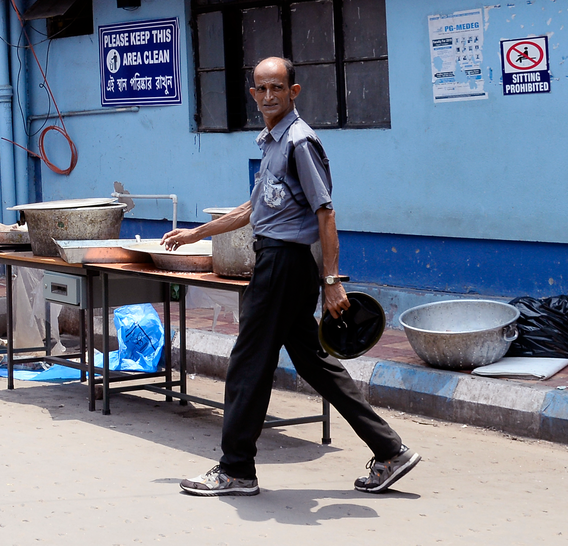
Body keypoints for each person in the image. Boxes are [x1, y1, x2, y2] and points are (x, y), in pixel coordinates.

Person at [164, 56, 419, 497]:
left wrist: (332, 279)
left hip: (285, 265)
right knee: (314, 361)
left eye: (276, 88)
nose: (268, 96)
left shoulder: (299, 141)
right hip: (282, 263)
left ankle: (236, 469)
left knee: (248, 362)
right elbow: (252, 209)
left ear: (293, 91)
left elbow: (326, 212)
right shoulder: (272, 142)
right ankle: (390, 450)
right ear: (252, 93)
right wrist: (196, 234)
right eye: (261, 89)